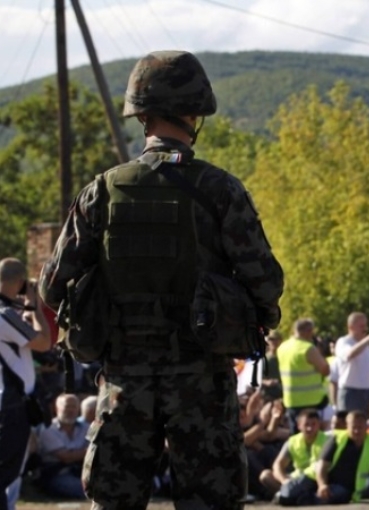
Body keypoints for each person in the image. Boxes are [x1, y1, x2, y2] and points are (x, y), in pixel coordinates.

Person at [38, 51, 284, 510]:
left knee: (114, 502)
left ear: (141, 115)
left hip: (123, 380)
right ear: (195, 114)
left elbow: (52, 285)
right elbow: (265, 283)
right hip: (202, 380)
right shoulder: (220, 190)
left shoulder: (104, 191)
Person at [0, 258, 51, 510]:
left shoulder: (8, 313)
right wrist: (35, 307)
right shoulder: (5, 315)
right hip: (10, 407)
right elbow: (43, 342)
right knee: (5, 474)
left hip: (9, 404)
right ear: (20, 283)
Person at [314, 410, 369, 504]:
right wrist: (322, 485)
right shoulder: (337, 438)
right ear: (347, 426)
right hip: (317, 478)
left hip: (344, 488)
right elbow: (322, 465)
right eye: (354, 427)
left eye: (360, 427)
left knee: (330, 496)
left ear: (366, 427)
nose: (357, 431)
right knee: (293, 492)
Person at [261, 409, 328, 505]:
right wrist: (284, 481)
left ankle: (287, 496)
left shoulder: (327, 440)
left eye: (313, 424)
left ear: (319, 425)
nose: (309, 428)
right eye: (306, 425)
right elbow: (278, 465)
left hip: (315, 479)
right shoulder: (292, 441)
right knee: (265, 475)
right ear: (299, 426)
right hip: (296, 479)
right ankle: (290, 495)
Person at [277, 318, 329, 432]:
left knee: (296, 436)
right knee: (312, 436)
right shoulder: (307, 348)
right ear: (308, 331)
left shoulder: (282, 347)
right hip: (311, 400)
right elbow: (325, 370)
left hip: (291, 400)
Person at [37, 394, 88, 499]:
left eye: (74, 407)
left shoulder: (86, 428)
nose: (70, 410)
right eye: (67, 406)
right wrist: (90, 451)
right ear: (57, 409)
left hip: (82, 470)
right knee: (84, 489)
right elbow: (66, 458)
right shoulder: (48, 429)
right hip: (57, 473)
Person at [334, 312, 369, 414]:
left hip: (366, 391)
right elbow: (350, 354)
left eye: (366, 325)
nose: (365, 329)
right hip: (350, 392)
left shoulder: (366, 346)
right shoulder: (343, 342)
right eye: (362, 326)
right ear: (351, 327)